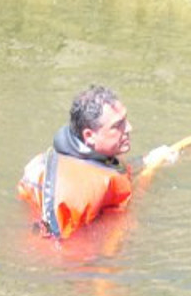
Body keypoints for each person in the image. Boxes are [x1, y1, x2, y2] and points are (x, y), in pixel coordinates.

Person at [17, 85, 135, 239]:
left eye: (125, 120)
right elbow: (63, 251)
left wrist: (152, 161)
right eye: (118, 125)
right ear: (89, 136)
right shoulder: (79, 190)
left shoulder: (82, 160)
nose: (129, 128)